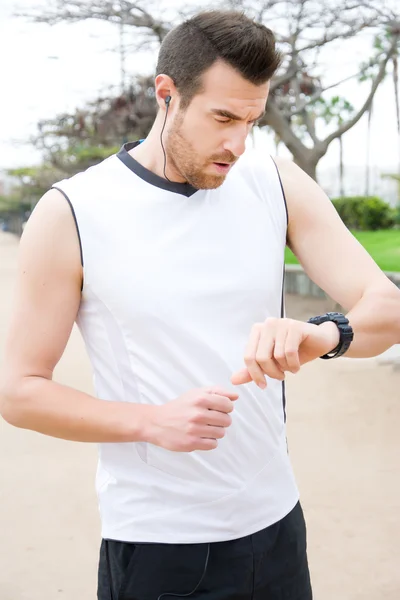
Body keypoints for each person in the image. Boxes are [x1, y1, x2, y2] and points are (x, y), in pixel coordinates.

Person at [1, 9, 400, 600]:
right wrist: (150, 422)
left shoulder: (275, 180)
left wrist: (321, 334)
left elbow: (385, 308)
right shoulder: (73, 211)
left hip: (278, 528)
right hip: (160, 548)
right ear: (167, 95)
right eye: (222, 117)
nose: (238, 143)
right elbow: (19, 391)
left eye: (252, 120)